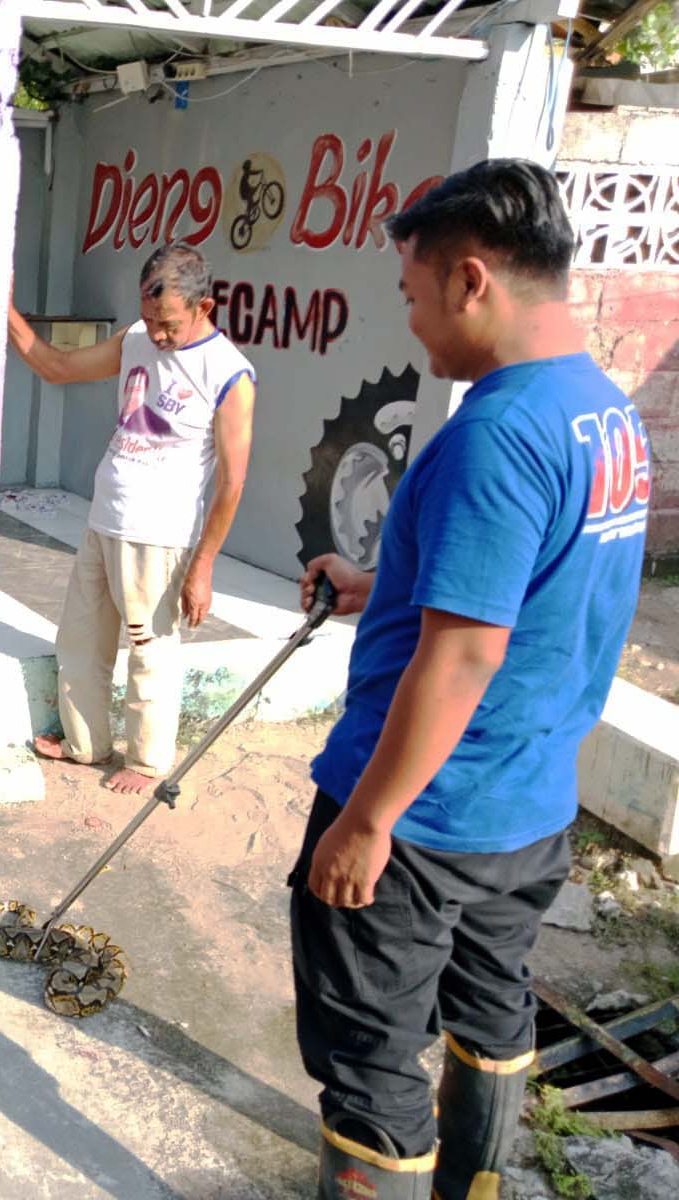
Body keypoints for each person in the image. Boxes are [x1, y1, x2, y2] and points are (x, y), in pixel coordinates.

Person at [294, 158, 651, 1200]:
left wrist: (367, 820)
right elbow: (535, 586)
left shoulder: (495, 432)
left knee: (370, 1060)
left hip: (425, 816)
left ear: (470, 280)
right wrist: (383, 586)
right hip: (528, 804)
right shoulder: (603, 411)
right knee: (492, 1008)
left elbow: (464, 653)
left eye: (412, 295)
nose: (411, 323)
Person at [7, 243, 256, 793]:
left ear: (204, 307)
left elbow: (232, 483)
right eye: (149, 318)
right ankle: (86, 745)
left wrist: (203, 567)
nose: (157, 334)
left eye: (168, 324)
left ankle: (146, 761)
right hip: (104, 520)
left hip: (159, 537)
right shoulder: (136, 338)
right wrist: (5, 310)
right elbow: (58, 367)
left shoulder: (229, 373)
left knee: (150, 651)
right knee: (80, 641)